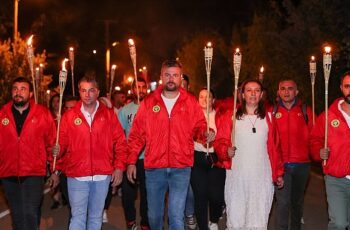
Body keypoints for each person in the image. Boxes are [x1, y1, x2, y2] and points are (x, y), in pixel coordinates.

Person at [127, 60, 213, 230]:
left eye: (175, 75)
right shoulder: (149, 102)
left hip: (181, 167)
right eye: (167, 75)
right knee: (154, 216)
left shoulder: (190, 102)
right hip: (154, 168)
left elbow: (199, 128)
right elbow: (137, 134)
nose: (171, 78)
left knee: (176, 215)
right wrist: (131, 161)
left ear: (180, 78)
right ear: (161, 77)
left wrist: (206, 133)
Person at [54, 75, 128, 230]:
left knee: (95, 217)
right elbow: (62, 143)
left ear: (97, 92)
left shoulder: (108, 115)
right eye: (83, 90)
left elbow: (120, 142)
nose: (87, 94)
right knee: (78, 217)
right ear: (80, 92)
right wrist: (57, 150)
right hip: (77, 175)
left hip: (102, 175)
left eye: (91, 90)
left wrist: (119, 167)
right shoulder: (69, 116)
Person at [214, 79, 284, 230]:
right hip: (238, 176)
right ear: (243, 94)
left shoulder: (269, 117)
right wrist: (226, 150)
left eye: (257, 90)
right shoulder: (231, 116)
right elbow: (219, 142)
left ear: (261, 94)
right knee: (237, 219)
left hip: (261, 177)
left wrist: (278, 173)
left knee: (258, 219)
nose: (253, 93)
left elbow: (275, 147)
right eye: (249, 90)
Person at [0, 77, 58, 230]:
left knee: (30, 213)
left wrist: (54, 171)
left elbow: (51, 144)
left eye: (23, 89)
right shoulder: (2, 114)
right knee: (17, 215)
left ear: (31, 93)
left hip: (33, 173)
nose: (18, 92)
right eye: (15, 89)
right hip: (8, 174)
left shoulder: (42, 114)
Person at [310, 71, 350, 230]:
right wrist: (319, 151)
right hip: (336, 178)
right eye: (348, 86)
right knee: (339, 224)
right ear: (341, 88)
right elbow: (315, 140)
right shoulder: (328, 115)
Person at [273, 79, 313, 230]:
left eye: (290, 88)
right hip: (281, 165)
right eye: (282, 88)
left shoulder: (305, 110)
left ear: (296, 91)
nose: (286, 91)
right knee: (282, 202)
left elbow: (315, 135)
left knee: (297, 202)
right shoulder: (273, 111)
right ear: (278, 92)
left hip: (302, 164)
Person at [191, 88, 226, 230]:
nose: (205, 99)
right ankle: (203, 226)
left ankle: (214, 219)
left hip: (215, 159)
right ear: (197, 99)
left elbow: (225, 135)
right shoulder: (192, 116)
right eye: (201, 97)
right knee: (200, 196)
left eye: (208, 96)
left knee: (216, 196)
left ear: (213, 99)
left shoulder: (220, 116)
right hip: (197, 158)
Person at [119, 77, 149, 230]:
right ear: (132, 90)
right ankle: (130, 221)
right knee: (128, 193)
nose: (141, 90)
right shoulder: (125, 110)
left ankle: (145, 222)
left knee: (147, 193)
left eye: (144, 87)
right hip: (130, 158)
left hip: (149, 158)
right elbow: (120, 135)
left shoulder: (152, 108)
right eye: (138, 87)